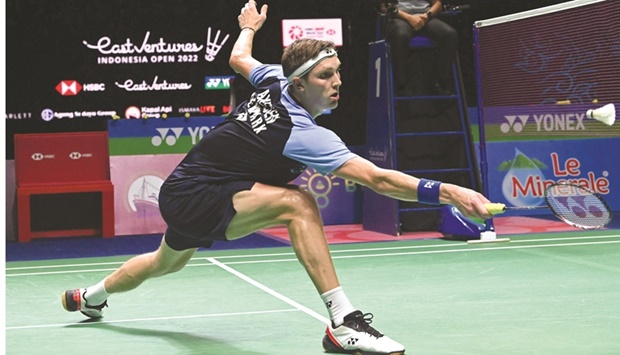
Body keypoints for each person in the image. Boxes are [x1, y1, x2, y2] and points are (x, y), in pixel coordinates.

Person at [61, 1, 493, 354]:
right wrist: (451, 191)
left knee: (162, 263)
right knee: (297, 203)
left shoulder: (274, 80)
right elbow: (377, 180)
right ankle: (343, 322)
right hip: (199, 193)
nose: (337, 82)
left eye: (338, 72)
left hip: (186, 189)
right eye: (326, 76)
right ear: (300, 84)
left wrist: (249, 26)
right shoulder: (303, 133)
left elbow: (237, 58)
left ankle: (91, 297)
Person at [379, 0, 458, 95]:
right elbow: (384, 7)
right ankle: (402, 86)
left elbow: (437, 3)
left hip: (425, 18)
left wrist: (427, 16)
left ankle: (441, 83)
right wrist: (409, 18)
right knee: (401, 35)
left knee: (450, 34)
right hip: (400, 17)